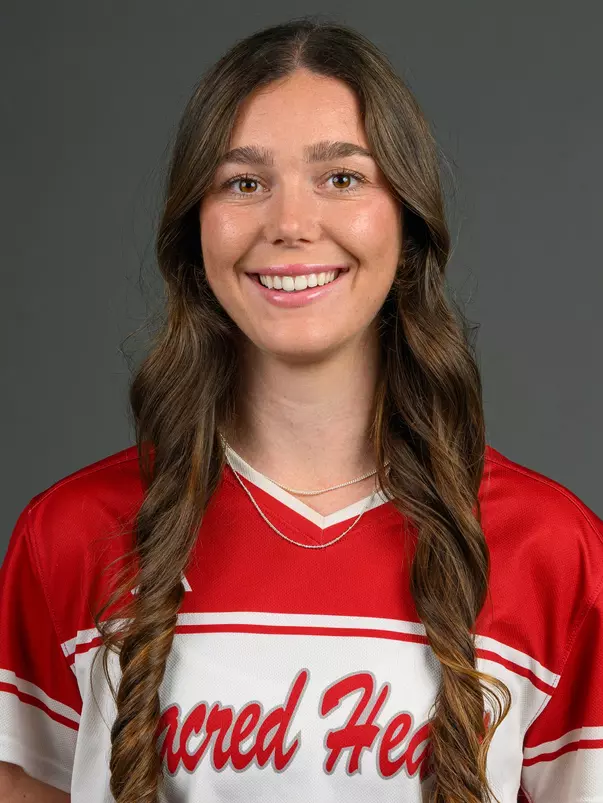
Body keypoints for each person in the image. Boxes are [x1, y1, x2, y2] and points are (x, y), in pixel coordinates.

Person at [0, 16, 602, 803]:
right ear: (197, 228)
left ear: (405, 219)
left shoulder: (552, 548)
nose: (288, 225)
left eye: (341, 178)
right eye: (243, 182)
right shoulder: (73, 534)